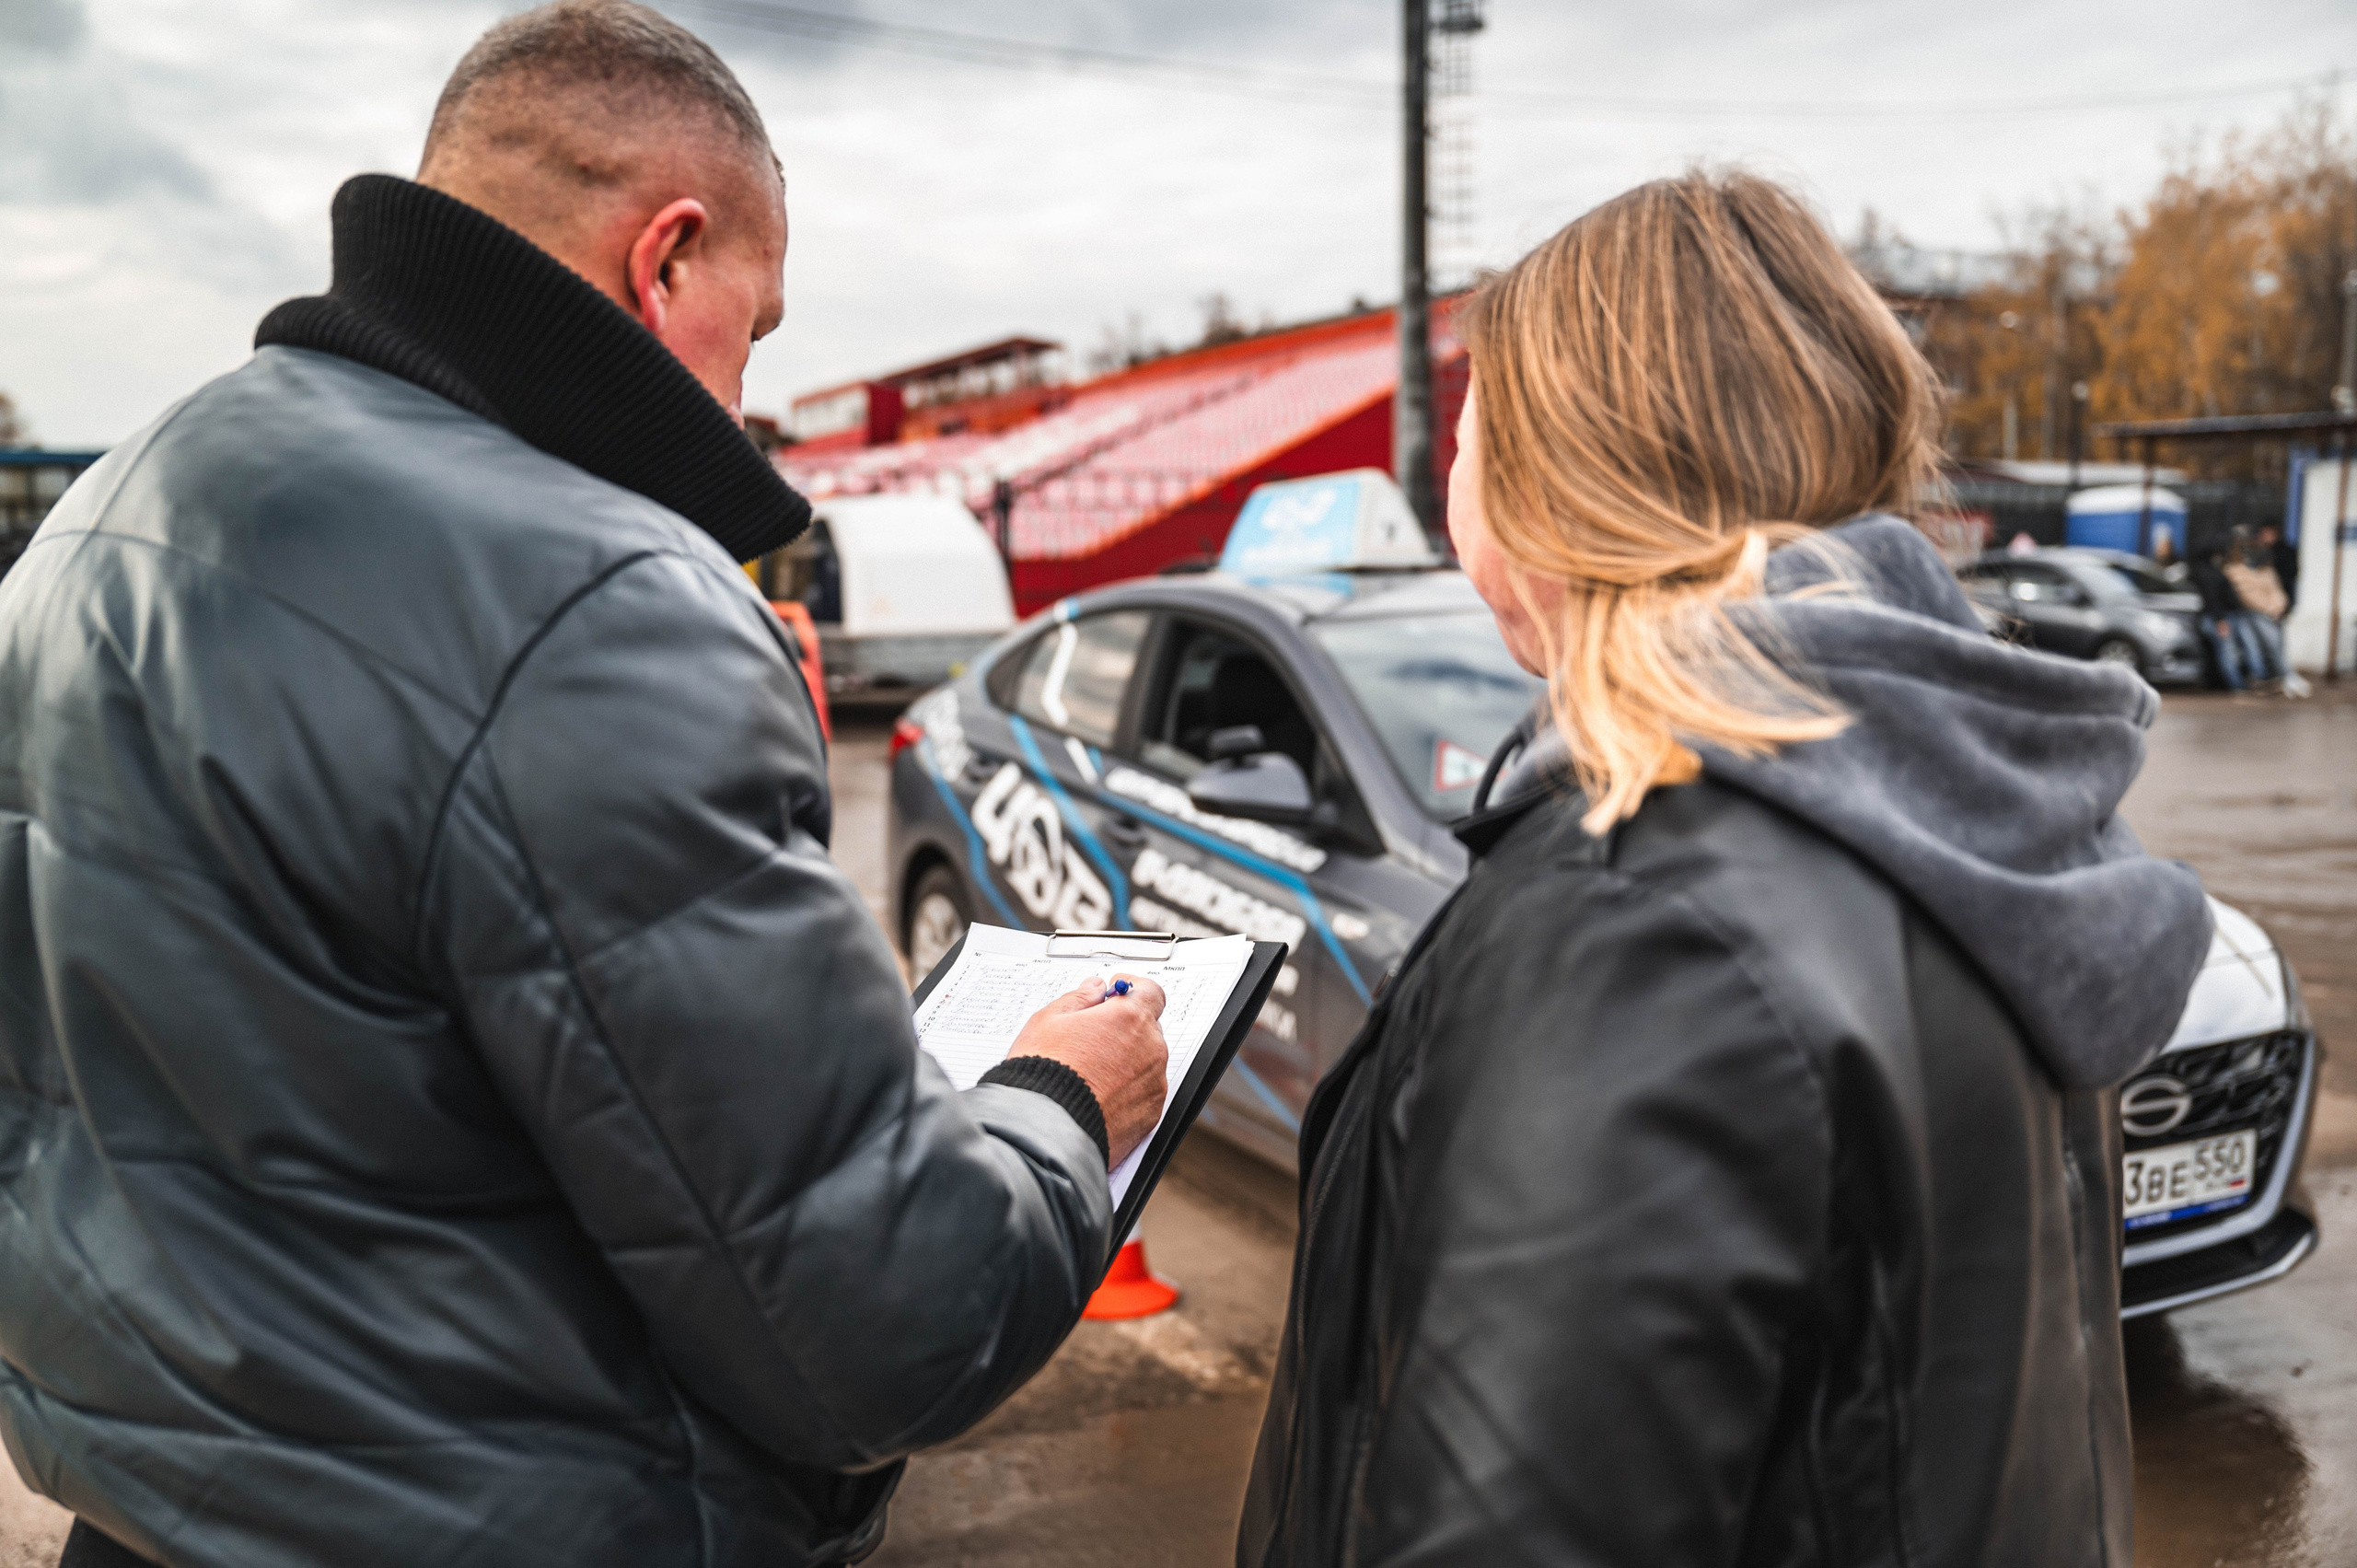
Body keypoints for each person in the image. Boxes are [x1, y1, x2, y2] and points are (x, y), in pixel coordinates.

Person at [0, 6, 1169, 1567]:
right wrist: (1054, 1102)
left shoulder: (99, 514)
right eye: (756, 327)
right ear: (667, 259)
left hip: (144, 1505)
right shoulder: (596, 603)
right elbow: (886, 1328)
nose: (748, 394)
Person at [1238, 171, 2212, 1567]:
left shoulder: (1637, 920)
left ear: (1554, 481)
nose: (1453, 470)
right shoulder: (1967, 812)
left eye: (1474, 429)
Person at [2190, 542, 2269, 690]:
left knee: (2229, 651)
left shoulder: (2205, 571)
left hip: (2221, 617)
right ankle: (2237, 686)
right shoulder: (2208, 573)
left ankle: (2243, 683)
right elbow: (2212, 598)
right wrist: (2220, 620)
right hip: (2219, 618)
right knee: (2228, 653)